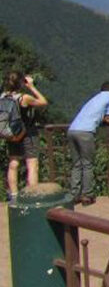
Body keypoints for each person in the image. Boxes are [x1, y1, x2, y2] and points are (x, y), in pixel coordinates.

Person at [66, 81, 109, 205]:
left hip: (72, 130)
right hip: (86, 132)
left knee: (76, 164)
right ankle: (87, 195)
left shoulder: (95, 98)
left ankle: (74, 194)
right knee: (87, 164)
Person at [3, 71, 49, 199]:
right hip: (28, 133)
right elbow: (43, 102)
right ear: (21, 83)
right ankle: (32, 195)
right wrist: (31, 86)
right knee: (32, 164)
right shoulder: (24, 98)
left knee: (13, 163)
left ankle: (13, 195)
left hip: (12, 134)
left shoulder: (3, 97)